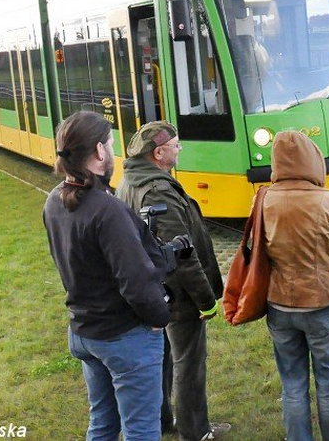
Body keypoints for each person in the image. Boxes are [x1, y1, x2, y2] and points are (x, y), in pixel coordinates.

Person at [43, 111, 170, 441]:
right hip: (122, 336)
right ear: (99, 151)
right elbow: (137, 280)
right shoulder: (105, 209)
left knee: (102, 424)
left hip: (85, 332)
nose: (113, 152)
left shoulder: (54, 201)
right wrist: (159, 318)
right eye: (111, 144)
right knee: (141, 430)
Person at [115, 121, 229, 441]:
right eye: (176, 145)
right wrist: (206, 300)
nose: (180, 150)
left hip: (153, 291)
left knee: (162, 359)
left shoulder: (131, 181)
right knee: (188, 364)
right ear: (159, 152)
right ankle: (195, 431)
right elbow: (179, 254)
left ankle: (163, 419)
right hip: (176, 294)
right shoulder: (157, 189)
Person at [263, 131, 329, 441]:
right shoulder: (327, 199)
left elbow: (254, 253)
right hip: (321, 304)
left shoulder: (263, 199)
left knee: (292, 384)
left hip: (278, 304)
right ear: (313, 160)